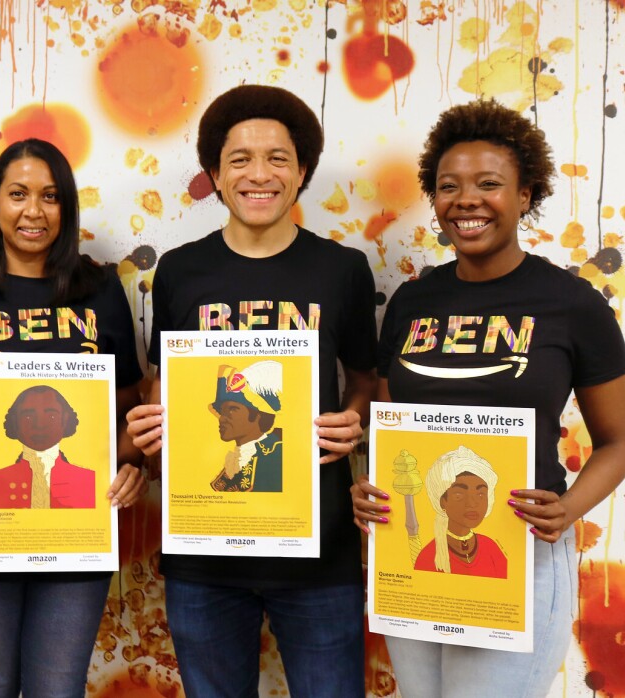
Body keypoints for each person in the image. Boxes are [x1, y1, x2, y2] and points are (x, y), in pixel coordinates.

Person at [350, 99, 625, 697]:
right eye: (448, 186)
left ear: (526, 195)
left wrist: (569, 508)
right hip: (415, 547)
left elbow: (618, 443)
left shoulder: (573, 304)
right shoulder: (411, 302)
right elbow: (386, 421)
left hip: (522, 548)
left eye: (489, 184)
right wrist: (369, 486)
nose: (467, 200)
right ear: (434, 199)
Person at [126, 85, 378, 697]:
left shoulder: (342, 269)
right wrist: (148, 431)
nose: (258, 174)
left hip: (319, 549)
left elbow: (367, 383)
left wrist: (355, 420)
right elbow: (166, 384)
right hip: (203, 555)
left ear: (302, 172)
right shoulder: (181, 270)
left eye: (277, 158)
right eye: (239, 159)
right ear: (215, 174)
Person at [0, 138, 146, 697]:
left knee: (57, 689)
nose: (33, 211)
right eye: (17, 194)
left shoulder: (103, 292)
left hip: (78, 523)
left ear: (67, 209)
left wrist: (133, 461)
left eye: (50, 196)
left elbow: (130, 408)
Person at [0, 385, 96, 509]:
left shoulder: (89, 482)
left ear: (65, 420)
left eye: (52, 417)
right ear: (15, 421)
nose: (39, 425)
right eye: (28, 417)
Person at [411, 446, 506, 579]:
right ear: (442, 501)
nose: (472, 503)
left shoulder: (491, 549)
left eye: (480, 494)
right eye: (459, 494)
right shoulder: (428, 557)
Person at [209, 361, 284, 493]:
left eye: (232, 409)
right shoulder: (235, 460)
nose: (221, 418)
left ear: (258, 415)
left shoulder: (277, 455)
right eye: (222, 411)